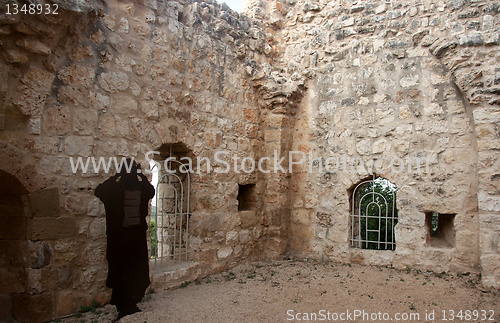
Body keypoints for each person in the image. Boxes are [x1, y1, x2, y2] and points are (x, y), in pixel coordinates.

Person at [95, 160, 155, 320]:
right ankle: (125, 303)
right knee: (126, 271)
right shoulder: (122, 188)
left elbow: (151, 191)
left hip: (130, 237)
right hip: (125, 238)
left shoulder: (131, 188)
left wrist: (119, 176)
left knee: (130, 270)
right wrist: (136, 175)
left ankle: (129, 302)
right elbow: (99, 191)